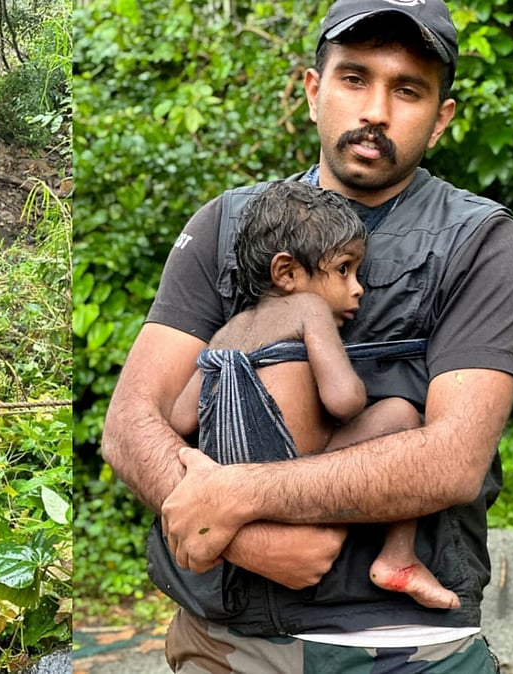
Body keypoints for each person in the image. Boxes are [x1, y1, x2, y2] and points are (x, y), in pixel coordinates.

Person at [101, 0, 513, 670]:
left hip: (399, 648)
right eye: (354, 79)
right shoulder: (227, 223)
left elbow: (453, 460)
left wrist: (240, 498)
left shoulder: (481, 242)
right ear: (312, 90)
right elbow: (131, 421)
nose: (376, 111)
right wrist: (243, 539)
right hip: (223, 639)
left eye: (408, 89)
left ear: (441, 118)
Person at [168, 181, 457, 610]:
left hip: (228, 484)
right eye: (344, 269)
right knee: (400, 414)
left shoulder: (225, 332)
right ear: (287, 273)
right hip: (297, 475)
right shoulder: (308, 309)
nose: (358, 287)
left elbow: (180, 418)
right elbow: (344, 400)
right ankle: (397, 558)